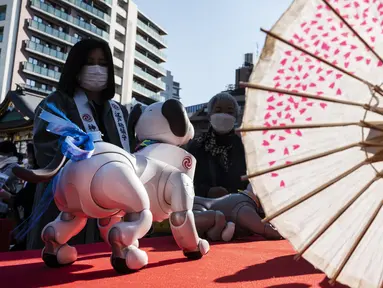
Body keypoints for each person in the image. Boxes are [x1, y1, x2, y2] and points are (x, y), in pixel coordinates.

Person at [27, 38, 130, 250]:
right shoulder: (56, 102)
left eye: (102, 63)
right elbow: (47, 149)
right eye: (89, 62)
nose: (97, 69)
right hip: (68, 197)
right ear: (76, 66)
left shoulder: (119, 111)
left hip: (112, 198)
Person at [187, 92, 248, 198]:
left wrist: (232, 192)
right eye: (218, 110)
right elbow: (187, 182)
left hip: (238, 207)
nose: (224, 115)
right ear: (209, 115)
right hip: (201, 208)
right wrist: (206, 191)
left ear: (236, 117)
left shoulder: (244, 148)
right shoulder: (197, 146)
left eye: (229, 112)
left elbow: (249, 184)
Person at [11, 143, 38, 251]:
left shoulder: (36, 173)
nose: (28, 156)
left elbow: (26, 195)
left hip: (31, 221)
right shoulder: (33, 171)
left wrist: (13, 198)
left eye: (29, 153)